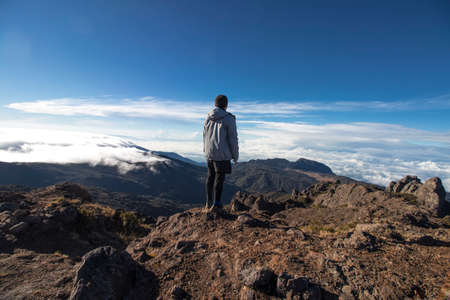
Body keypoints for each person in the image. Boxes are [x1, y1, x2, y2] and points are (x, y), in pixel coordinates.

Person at [203, 94, 239, 212]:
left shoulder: (208, 117)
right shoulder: (229, 118)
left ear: (215, 104)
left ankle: (208, 203)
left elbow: (204, 135)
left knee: (210, 177)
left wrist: (205, 150)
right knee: (219, 179)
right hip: (222, 154)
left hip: (209, 152)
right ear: (226, 105)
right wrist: (235, 155)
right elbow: (233, 139)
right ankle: (217, 204)